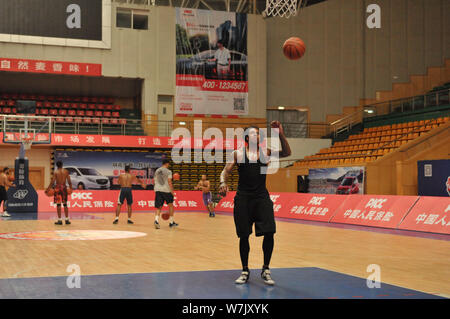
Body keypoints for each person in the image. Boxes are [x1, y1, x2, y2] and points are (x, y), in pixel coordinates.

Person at [219, 121, 291, 285]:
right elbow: (225, 171)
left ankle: (266, 269)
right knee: (244, 236)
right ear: (246, 137)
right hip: (243, 198)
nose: (256, 135)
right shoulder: (237, 154)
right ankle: (245, 270)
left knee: (270, 232)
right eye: (252, 133)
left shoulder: (265, 152)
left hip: (261, 198)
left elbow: (286, 152)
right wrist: (223, 183)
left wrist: (280, 133)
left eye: (258, 133)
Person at [46, 161, 73, 225]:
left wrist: (48, 189)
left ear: (57, 165)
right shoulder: (66, 171)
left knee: (58, 204)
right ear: (62, 165)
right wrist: (71, 188)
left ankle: (60, 220)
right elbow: (69, 181)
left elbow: (52, 182)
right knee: (65, 204)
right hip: (64, 188)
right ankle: (67, 220)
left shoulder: (56, 172)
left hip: (57, 188)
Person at [154, 159, 178, 229]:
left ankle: (156, 220)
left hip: (158, 190)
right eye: (168, 164)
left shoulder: (157, 170)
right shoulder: (168, 171)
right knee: (170, 206)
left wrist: (156, 188)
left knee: (159, 207)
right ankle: (171, 222)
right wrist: (172, 191)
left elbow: (154, 180)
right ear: (167, 164)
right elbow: (169, 181)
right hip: (166, 190)